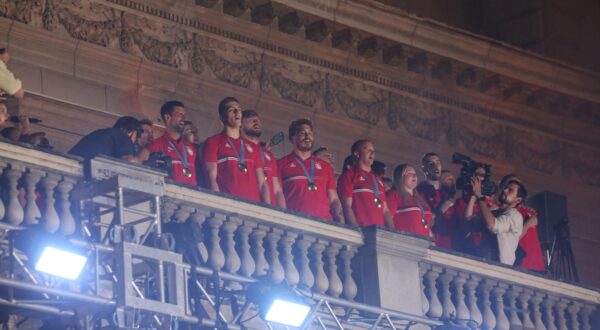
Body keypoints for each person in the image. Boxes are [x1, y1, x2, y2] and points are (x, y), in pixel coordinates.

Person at [202, 97, 269, 203]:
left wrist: (267, 211)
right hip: (228, 205)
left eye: (239, 109)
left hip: (253, 208)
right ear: (222, 117)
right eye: (231, 110)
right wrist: (218, 204)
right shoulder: (213, 142)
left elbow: (262, 184)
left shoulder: (253, 148)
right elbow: (211, 177)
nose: (237, 112)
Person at [278, 118, 344, 223]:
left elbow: (334, 199)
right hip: (295, 223)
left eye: (310, 133)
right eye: (302, 133)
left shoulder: (325, 166)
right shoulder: (281, 164)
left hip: (324, 223)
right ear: (292, 138)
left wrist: (339, 217)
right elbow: (278, 194)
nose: (307, 136)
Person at [468, 177, 526, 265]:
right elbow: (469, 221)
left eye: (510, 190)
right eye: (505, 188)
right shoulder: (493, 213)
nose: (505, 190)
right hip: (483, 262)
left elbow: (493, 226)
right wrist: (473, 196)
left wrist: (479, 197)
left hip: (501, 268)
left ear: (518, 200)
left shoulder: (515, 216)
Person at [337, 139, 393, 228]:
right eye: (368, 149)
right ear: (357, 154)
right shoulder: (349, 176)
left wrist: (392, 234)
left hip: (380, 234)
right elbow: (347, 207)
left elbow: (385, 210)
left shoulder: (378, 179)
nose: (372, 153)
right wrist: (356, 231)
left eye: (373, 151)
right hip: (362, 229)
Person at [143, 101, 199, 186]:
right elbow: (137, 163)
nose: (184, 118)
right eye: (180, 114)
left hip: (191, 197)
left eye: (184, 115)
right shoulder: (156, 144)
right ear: (168, 117)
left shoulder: (190, 147)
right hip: (170, 196)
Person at [499, 174, 545, 271]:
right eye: (507, 186)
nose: (508, 189)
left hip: (537, 264)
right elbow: (510, 238)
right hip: (521, 264)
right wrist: (527, 224)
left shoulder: (528, 211)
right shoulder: (504, 212)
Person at [241, 110, 286, 208]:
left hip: (270, 211)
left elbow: (277, 190)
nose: (256, 122)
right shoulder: (238, 147)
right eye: (251, 120)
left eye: (257, 120)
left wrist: (284, 213)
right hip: (248, 204)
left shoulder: (268, 155)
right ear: (240, 124)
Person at [417, 153, 458, 249]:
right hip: (431, 243)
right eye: (431, 163)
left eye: (438, 162)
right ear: (424, 169)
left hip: (451, 246)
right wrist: (443, 208)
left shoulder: (447, 191)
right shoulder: (420, 191)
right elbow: (425, 221)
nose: (436, 166)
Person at [69, 116, 143, 163]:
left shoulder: (98, 133)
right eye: (136, 139)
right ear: (134, 133)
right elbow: (129, 161)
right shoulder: (124, 137)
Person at [386, 164, 433, 238]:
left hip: (422, 245)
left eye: (415, 174)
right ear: (400, 177)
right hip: (405, 244)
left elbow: (426, 226)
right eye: (409, 173)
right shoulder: (394, 195)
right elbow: (387, 218)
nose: (414, 176)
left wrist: (433, 243)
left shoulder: (420, 199)